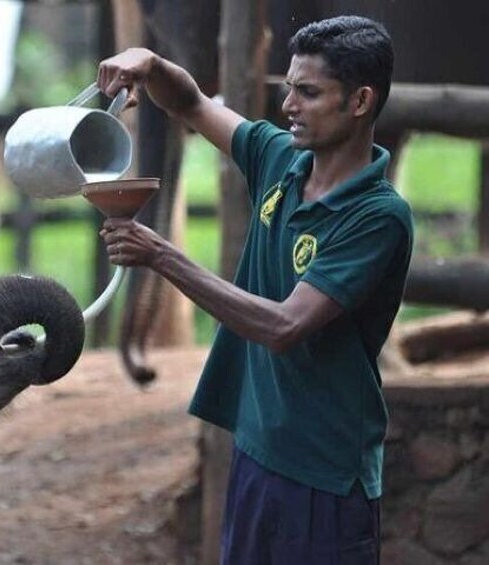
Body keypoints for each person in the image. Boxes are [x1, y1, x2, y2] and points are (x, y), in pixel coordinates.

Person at [96, 15, 413, 565]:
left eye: (308, 93)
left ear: (360, 102)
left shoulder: (377, 217)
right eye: (289, 87)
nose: (288, 105)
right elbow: (192, 104)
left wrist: (163, 256)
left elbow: (284, 325)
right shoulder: (278, 159)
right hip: (256, 450)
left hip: (324, 474)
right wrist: (149, 63)